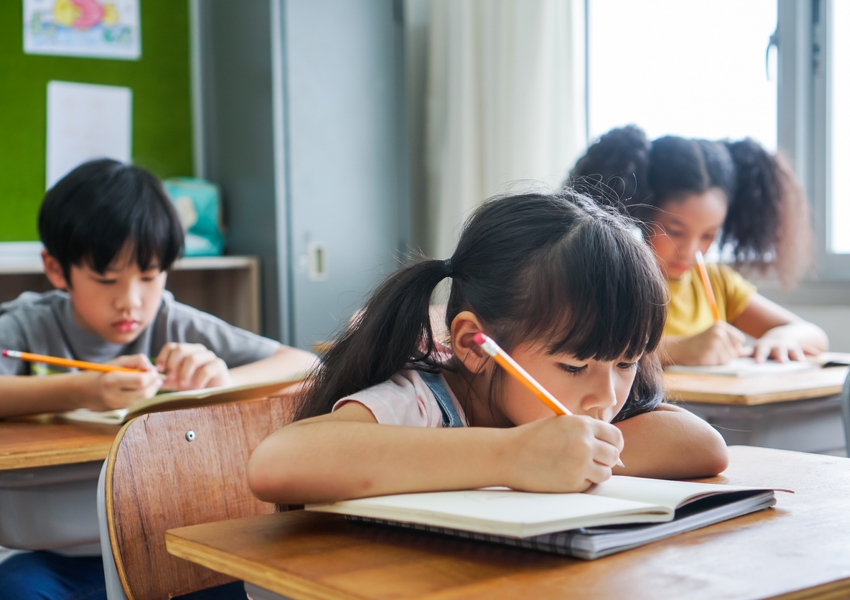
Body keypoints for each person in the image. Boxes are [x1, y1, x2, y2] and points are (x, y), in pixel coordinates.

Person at [247, 191, 728, 507]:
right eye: (573, 365)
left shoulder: (580, 403)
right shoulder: (422, 401)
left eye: (625, 363)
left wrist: (571, 455)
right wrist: (511, 457)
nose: (606, 396)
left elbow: (703, 446)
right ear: (475, 346)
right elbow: (277, 463)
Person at [0, 159, 317, 600]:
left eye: (149, 277)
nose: (130, 302)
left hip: (160, 540)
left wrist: (219, 377)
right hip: (59, 556)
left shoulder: (172, 319)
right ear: (56, 269)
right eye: (106, 279)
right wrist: (84, 390)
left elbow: (300, 362)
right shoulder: (28, 324)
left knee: (252, 577)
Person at [569, 126, 828, 366]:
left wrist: (782, 339)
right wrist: (680, 349)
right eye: (675, 231)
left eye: (708, 236)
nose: (691, 250)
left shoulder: (718, 284)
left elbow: (813, 334)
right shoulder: (616, 279)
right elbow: (587, 352)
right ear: (643, 215)